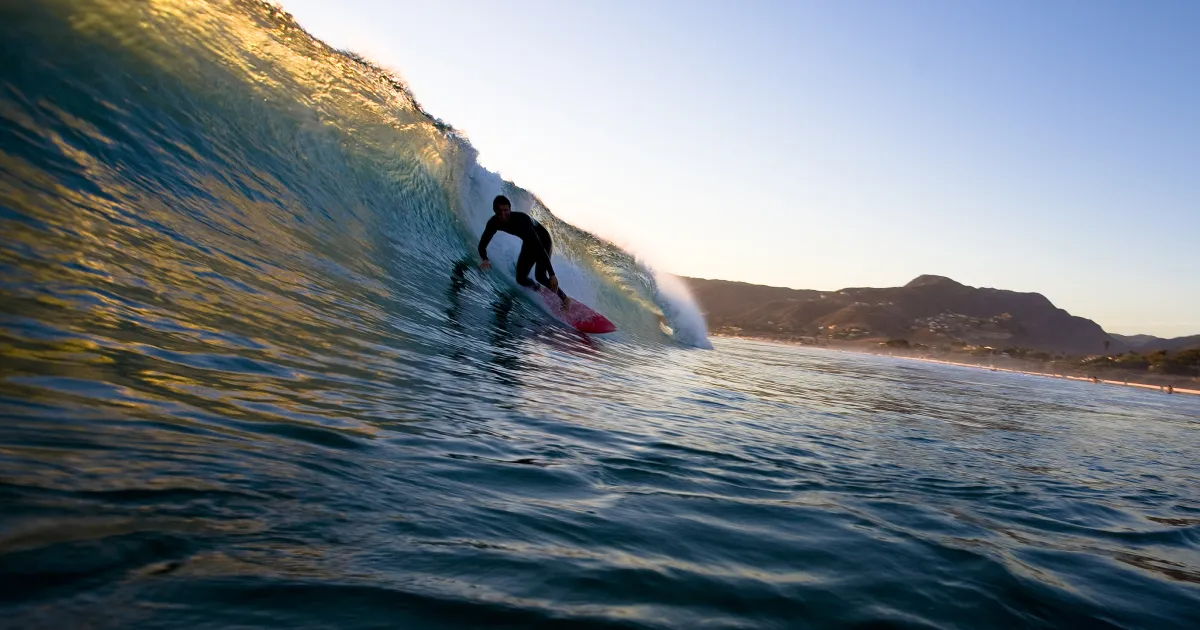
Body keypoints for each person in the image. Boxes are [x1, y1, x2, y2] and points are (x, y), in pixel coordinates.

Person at [478, 195, 571, 310]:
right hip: (528, 241)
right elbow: (482, 246)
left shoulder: (522, 221)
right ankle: (537, 288)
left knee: (540, 275)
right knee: (521, 278)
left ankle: (565, 299)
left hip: (542, 240)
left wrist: (552, 274)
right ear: (494, 210)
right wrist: (485, 258)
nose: (503, 214)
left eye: (505, 210)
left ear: (510, 209)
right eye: (499, 211)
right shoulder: (493, 223)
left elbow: (538, 247)